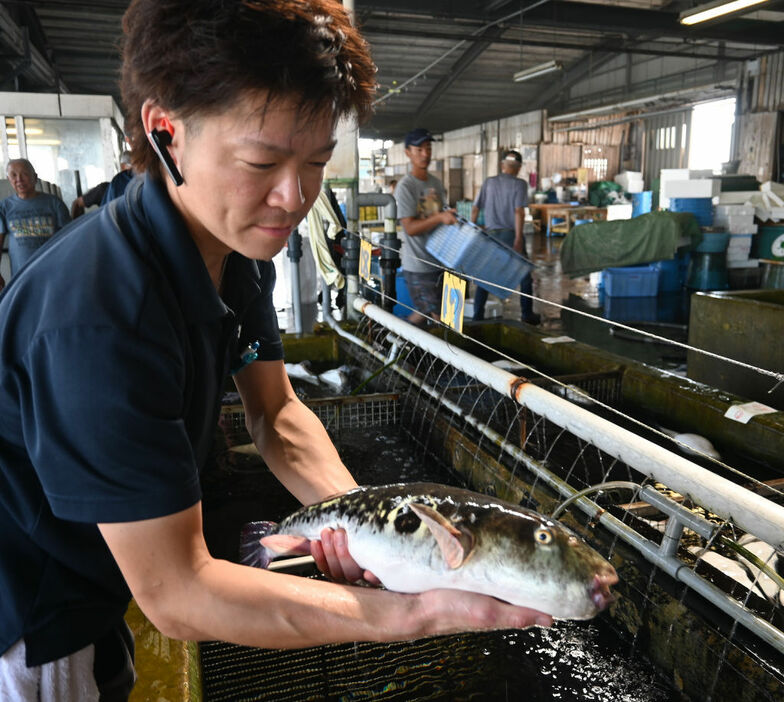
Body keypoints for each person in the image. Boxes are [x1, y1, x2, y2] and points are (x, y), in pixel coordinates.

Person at [0, 1, 551, 700]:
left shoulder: (235, 254)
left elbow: (277, 413)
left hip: (100, 581)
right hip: (31, 622)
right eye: (261, 160)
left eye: (316, 160)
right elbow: (179, 594)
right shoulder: (100, 317)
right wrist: (408, 612)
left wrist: (368, 526)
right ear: (165, 131)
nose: (292, 197)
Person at [394, 128, 457, 326]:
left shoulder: (436, 183)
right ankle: (397, 339)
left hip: (439, 261)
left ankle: (397, 341)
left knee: (435, 314)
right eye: (419, 149)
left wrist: (450, 218)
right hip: (418, 265)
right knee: (435, 316)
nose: (425, 154)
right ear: (408, 153)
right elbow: (410, 227)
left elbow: (438, 216)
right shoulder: (406, 187)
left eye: (428, 148)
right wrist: (439, 217)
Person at [471, 150, 540, 325]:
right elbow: (519, 212)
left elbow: (475, 208)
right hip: (510, 234)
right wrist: (518, 238)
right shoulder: (520, 184)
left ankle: (477, 316)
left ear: (503, 166)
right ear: (518, 168)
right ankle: (527, 314)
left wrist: (472, 229)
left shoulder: (489, 182)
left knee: (485, 276)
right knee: (524, 276)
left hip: (491, 235)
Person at [0, 158, 70, 287]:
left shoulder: (54, 203)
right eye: (13, 175)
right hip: (21, 277)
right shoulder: (4, 207)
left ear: (35, 177)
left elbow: (70, 238)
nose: (19, 179)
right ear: (9, 179)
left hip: (54, 272)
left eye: (25, 174)